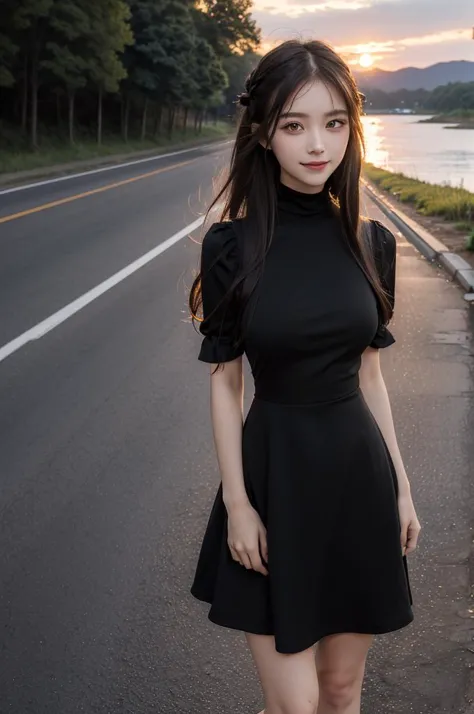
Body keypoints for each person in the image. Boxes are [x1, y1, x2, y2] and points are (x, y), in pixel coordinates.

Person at [188, 39, 421, 714]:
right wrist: (238, 503)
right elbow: (226, 384)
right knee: (294, 705)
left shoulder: (372, 242)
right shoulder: (232, 247)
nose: (318, 144)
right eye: (295, 124)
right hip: (275, 481)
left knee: (341, 692)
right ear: (262, 133)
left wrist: (402, 487)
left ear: (353, 125)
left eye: (334, 122)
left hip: (359, 482)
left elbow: (370, 376)